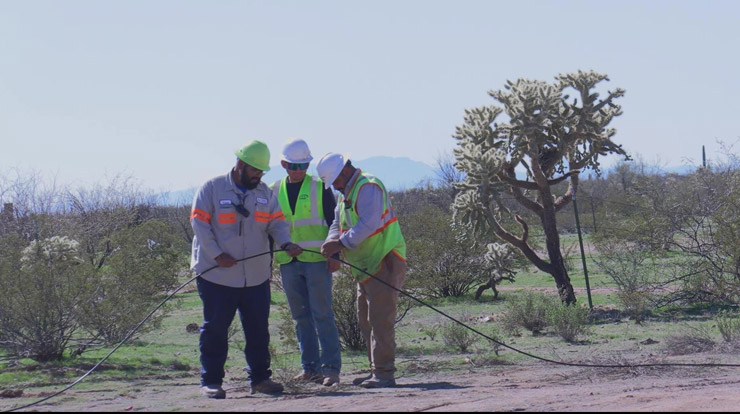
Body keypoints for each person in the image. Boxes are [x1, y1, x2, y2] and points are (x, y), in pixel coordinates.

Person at [190, 140, 303, 399]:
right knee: (216, 329)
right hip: (217, 275)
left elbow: (277, 222)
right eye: (255, 170)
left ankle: (260, 379)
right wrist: (217, 255)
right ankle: (211, 381)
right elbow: (200, 224)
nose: (258, 176)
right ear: (240, 164)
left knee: (258, 330)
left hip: (256, 276)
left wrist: (285, 242)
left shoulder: (265, 193)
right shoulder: (212, 188)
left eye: (262, 172)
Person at [317, 153, 407, 389]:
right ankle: (376, 370)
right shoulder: (346, 192)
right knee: (366, 320)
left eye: (335, 181)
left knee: (380, 320)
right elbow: (338, 222)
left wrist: (341, 244)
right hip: (366, 264)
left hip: (384, 258)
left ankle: (385, 373)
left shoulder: (368, 186)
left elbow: (369, 223)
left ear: (344, 171)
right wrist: (331, 241)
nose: (334, 186)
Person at [269, 138, 343, 387]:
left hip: (317, 261)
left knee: (322, 315)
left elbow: (335, 222)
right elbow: (268, 228)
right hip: (288, 263)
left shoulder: (321, 187)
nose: (299, 170)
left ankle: (331, 369)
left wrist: (335, 256)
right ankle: (310, 369)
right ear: (283, 164)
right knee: (300, 318)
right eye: (293, 166)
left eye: (303, 165)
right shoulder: (272, 190)